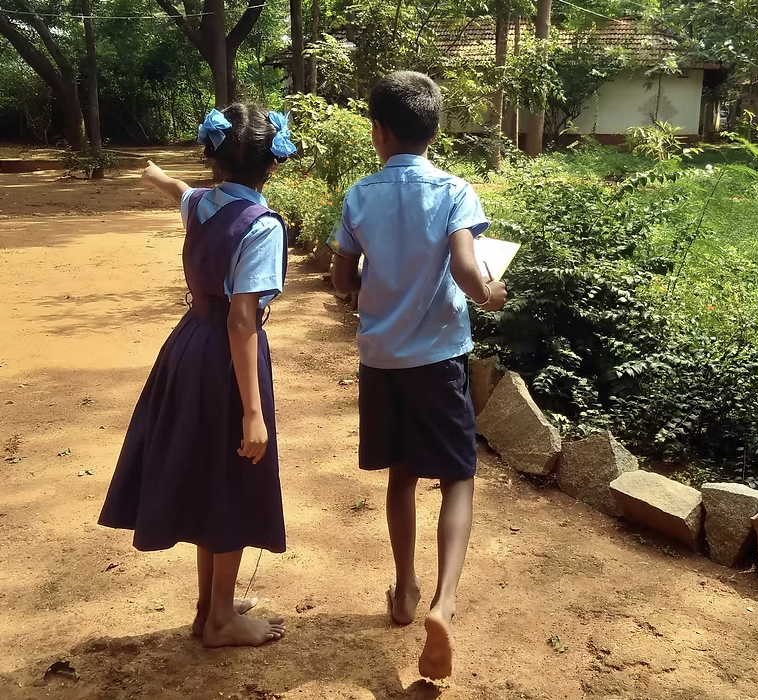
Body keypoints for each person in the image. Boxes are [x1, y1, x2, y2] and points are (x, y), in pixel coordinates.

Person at [329, 71, 508, 680]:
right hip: (438, 358)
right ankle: (445, 603)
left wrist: (362, 286)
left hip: (382, 361)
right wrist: (489, 292)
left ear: (378, 131)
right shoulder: (456, 190)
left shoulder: (359, 195)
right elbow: (464, 264)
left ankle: (404, 591)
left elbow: (342, 280)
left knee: (401, 477)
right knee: (457, 477)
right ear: (435, 130)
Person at [98, 104, 298, 648]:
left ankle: (212, 605)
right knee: (232, 480)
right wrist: (253, 412)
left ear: (215, 158)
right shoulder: (262, 226)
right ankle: (220, 622)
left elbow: (180, 190)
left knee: (212, 477)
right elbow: (242, 319)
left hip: (187, 347)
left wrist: (156, 176)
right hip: (227, 362)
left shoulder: (203, 206)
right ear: (272, 165)